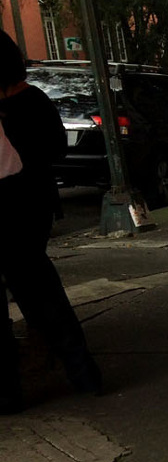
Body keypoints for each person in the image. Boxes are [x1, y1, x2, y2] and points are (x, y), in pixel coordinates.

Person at [0, 31, 102, 412]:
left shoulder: (18, 106)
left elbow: (21, 160)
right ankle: (79, 371)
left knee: (37, 292)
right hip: (32, 208)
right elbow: (54, 149)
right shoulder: (33, 100)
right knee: (40, 291)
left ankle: (48, 375)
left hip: (16, 211)